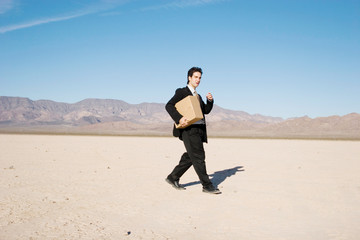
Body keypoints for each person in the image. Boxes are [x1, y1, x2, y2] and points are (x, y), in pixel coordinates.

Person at [165, 67, 221, 194]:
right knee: (199, 156)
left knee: (191, 156)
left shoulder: (198, 96)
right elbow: (168, 105)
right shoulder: (181, 92)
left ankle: (172, 177)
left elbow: (205, 110)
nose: (198, 80)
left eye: (200, 78)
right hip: (189, 130)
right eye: (196, 77)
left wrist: (210, 101)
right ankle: (207, 185)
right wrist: (179, 118)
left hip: (199, 130)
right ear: (189, 78)